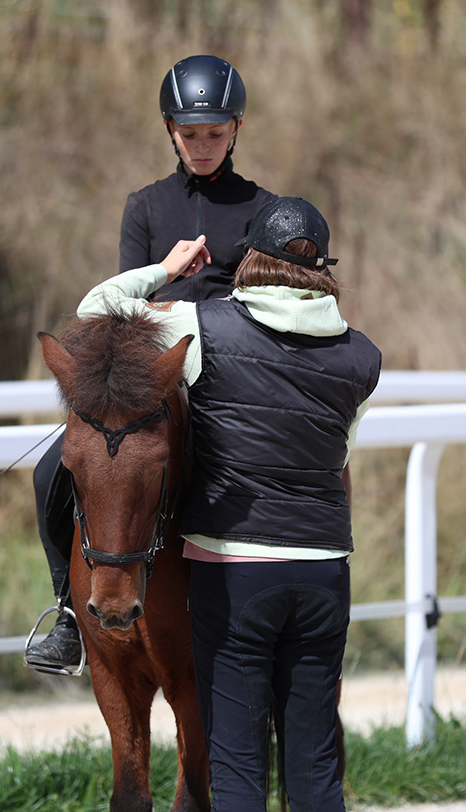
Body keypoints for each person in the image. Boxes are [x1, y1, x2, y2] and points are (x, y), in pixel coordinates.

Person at [73, 197, 381, 811]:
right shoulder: (361, 356)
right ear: (323, 270)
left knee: (238, 766)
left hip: (235, 573)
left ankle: (62, 603)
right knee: (315, 763)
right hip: (323, 573)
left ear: (251, 264)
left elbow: (95, 311)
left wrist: (167, 267)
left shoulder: (203, 328)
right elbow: (339, 458)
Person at [24, 54, 276, 673]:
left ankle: (264, 611)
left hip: (224, 373)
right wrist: (168, 274)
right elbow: (125, 303)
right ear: (170, 130)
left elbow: (258, 302)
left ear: (236, 129)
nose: (202, 146)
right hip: (148, 376)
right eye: (190, 135)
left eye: (214, 134)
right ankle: (66, 612)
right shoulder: (144, 205)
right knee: (48, 470)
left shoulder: (261, 208)